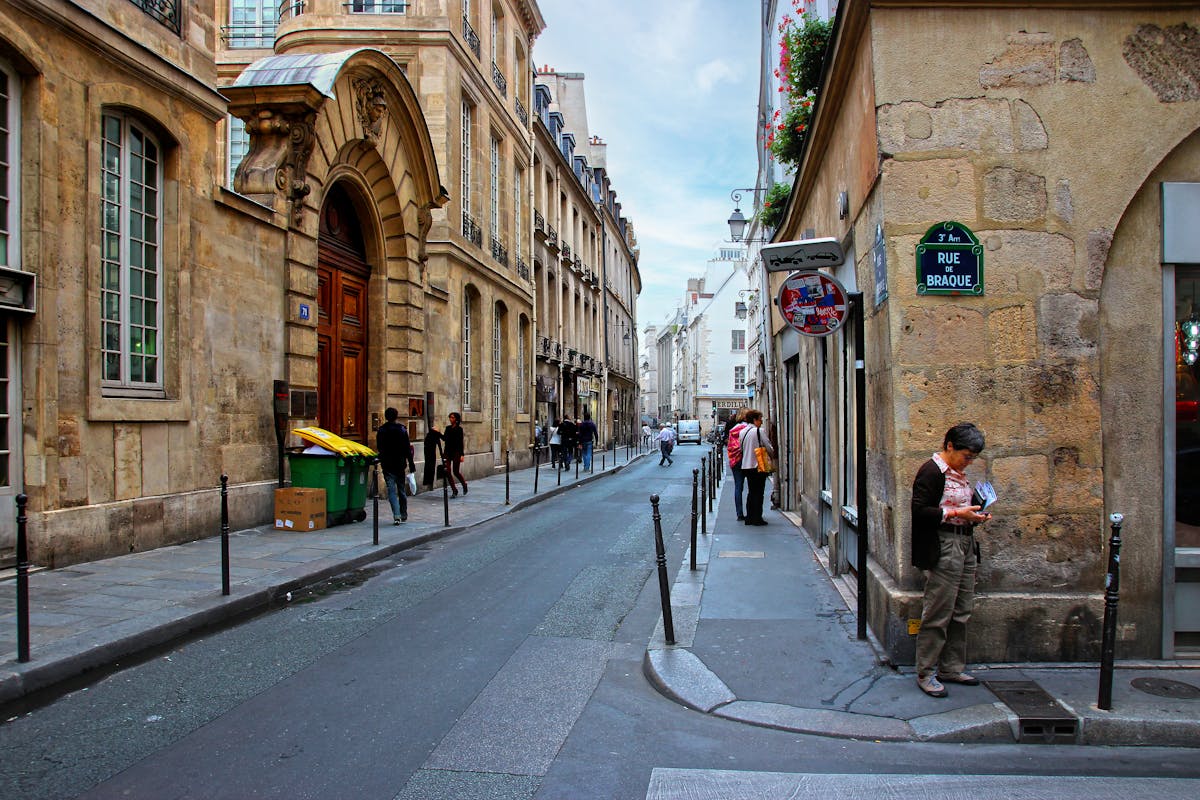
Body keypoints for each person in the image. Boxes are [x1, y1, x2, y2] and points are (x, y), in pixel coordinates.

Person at [911, 422, 991, 699]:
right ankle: (926, 671)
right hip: (943, 544)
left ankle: (952, 667)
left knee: (961, 609)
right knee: (938, 610)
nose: (968, 462)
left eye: (972, 458)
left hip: (965, 542)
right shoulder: (931, 471)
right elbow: (920, 511)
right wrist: (957, 514)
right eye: (966, 456)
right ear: (949, 446)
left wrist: (975, 516)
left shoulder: (958, 474)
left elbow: (955, 507)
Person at [376, 407, 416, 524]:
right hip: (399, 464)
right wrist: (411, 463)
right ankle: (403, 513)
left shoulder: (382, 430)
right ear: (396, 416)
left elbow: (379, 447)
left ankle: (396, 515)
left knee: (391, 491)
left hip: (387, 465)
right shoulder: (402, 430)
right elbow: (407, 449)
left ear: (386, 417)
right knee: (402, 490)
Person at [739, 409, 774, 525]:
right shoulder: (759, 431)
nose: (761, 422)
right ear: (754, 420)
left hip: (746, 466)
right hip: (758, 465)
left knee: (751, 491)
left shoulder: (742, 432)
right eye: (760, 419)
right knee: (759, 492)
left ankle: (749, 517)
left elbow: (741, 448)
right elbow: (768, 446)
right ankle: (757, 517)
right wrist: (773, 455)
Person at [725, 410, 750, 521]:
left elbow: (729, 446)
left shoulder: (733, 430)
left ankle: (739, 513)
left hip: (735, 460)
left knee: (738, 487)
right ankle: (751, 512)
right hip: (747, 459)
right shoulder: (749, 429)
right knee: (752, 487)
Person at [442, 411, 468, 497]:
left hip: (456, 452)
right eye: (450, 417)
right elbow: (444, 438)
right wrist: (437, 432)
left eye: (452, 417)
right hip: (447, 452)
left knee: (456, 471)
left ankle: (464, 485)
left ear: (456, 419)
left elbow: (460, 443)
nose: (451, 419)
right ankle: (454, 490)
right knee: (447, 471)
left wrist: (462, 455)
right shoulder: (448, 428)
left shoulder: (459, 429)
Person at [422, 422, 442, 490]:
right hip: (429, 454)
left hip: (429, 453)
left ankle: (428, 482)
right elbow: (439, 445)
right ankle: (429, 482)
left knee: (429, 467)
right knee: (429, 467)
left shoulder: (431, 435)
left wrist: (438, 432)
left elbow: (440, 444)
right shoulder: (431, 436)